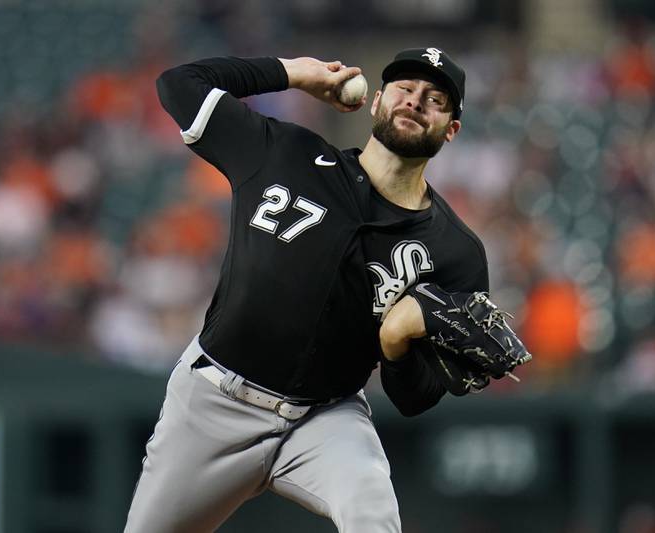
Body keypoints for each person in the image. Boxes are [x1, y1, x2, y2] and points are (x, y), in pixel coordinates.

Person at [125, 47, 490, 533]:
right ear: (378, 100)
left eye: (436, 99)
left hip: (325, 419)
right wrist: (293, 74)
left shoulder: (454, 252)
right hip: (213, 402)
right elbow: (178, 83)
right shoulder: (283, 153)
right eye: (405, 88)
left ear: (451, 129)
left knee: (372, 511)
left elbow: (415, 398)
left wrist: (396, 346)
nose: (416, 101)